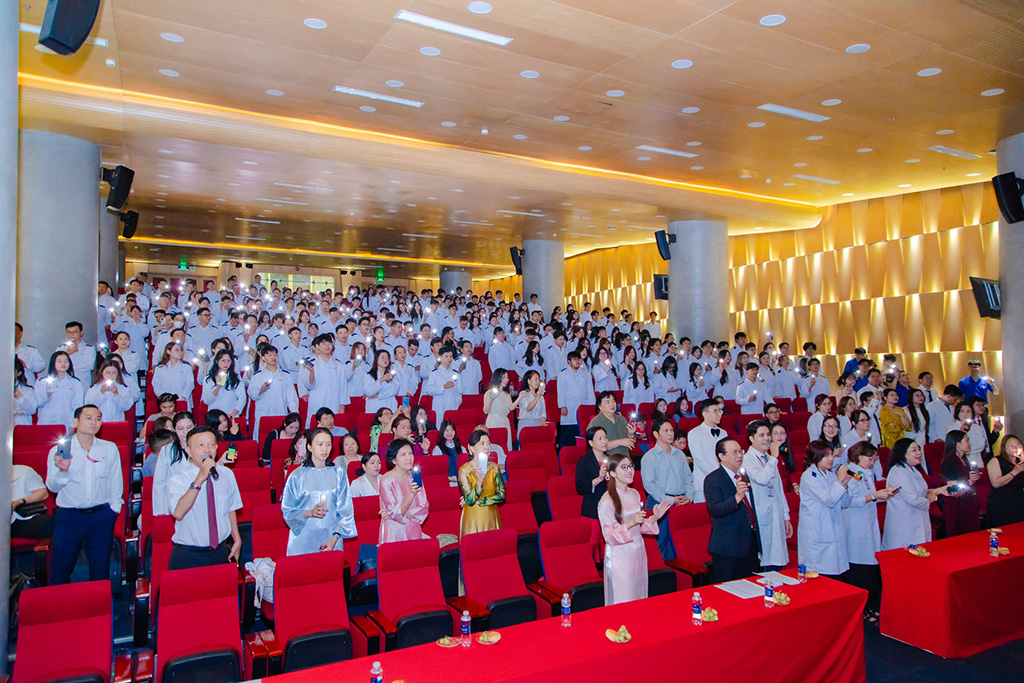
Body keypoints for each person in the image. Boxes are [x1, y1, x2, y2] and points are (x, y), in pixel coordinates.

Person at [46, 405, 123, 584]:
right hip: (69, 517)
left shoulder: (109, 448)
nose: (94, 422)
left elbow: (116, 480)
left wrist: (114, 509)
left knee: (100, 569)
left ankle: (100, 601)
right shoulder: (60, 450)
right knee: (61, 568)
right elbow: (52, 486)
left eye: (98, 419)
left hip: (101, 516)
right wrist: (63, 471)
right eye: (88, 418)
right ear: (76, 422)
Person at [167, 426, 243, 569]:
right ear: (189, 451)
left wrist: (237, 539)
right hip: (188, 555)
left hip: (220, 552)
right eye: (200, 445)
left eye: (211, 444)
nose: (207, 450)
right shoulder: (178, 479)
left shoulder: (226, 474)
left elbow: (230, 509)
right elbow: (178, 513)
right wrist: (200, 479)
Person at [600, 453, 671, 605]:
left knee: (640, 595)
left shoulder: (634, 493)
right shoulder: (607, 500)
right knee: (624, 597)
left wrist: (654, 517)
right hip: (620, 555)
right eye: (624, 467)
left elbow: (639, 526)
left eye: (631, 466)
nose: (629, 470)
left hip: (638, 551)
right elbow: (609, 536)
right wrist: (630, 523)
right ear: (612, 473)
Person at [843, 442, 897, 621]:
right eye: (869, 458)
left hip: (869, 524)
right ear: (858, 456)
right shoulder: (851, 473)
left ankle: (872, 604)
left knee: (871, 565)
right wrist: (875, 496)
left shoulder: (866, 474)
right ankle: (863, 607)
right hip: (856, 525)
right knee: (860, 567)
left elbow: (869, 497)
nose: (872, 462)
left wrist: (883, 494)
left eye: (875, 459)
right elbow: (850, 501)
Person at [281, 428, 357, 556]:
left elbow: (346, 511)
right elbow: (288, 511)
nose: (324, 449)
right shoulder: (297, 475)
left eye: (328, 444)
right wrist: (310, 512)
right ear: (309, 447)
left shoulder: (338, 473)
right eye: (320, 444)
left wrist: (334, 540)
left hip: (331, 540)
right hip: (303, 541)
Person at [704, 437, 761, 583]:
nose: (739, 455)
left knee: (750, 588)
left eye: (741, 451)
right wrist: (737, 497)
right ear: (721, 456)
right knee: (728, 589)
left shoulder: (743, 475)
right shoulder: (713, 479)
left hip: (749, 543)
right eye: (734, 452)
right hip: (728, 546)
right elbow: (715, 510)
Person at [882, 439, 952, 550]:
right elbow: (913, 499)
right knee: (905, 554)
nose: (919, 453)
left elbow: (921, 492)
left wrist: (938, 490)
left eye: (919, 449)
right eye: (914, 450)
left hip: (917, 519)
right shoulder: (898, 472)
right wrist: (931, 499)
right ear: (903, 453)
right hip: (905, 523)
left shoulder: (913, 469)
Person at [797, 440, 852, 579]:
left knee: (838, 576)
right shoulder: (809, 477)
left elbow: (845, 503)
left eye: (831, 455)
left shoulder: (831, 475)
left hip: (833, 530)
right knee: (821, 577)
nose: (831, 458)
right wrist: (839, 482)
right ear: (816, 457)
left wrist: (844, 484)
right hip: (818, 533)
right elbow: (829, 500)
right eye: (826, 456)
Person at [742, 420, 792, 571]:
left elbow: (779, 490)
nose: (767, 439)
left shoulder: (770, 459)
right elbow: (762, 479)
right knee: (765, 564)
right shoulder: (747, 459)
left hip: (776, 514)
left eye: (768, 434)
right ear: (751, 438)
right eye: (762, 435)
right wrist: (774, 458)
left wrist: (786, 516)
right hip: (761, 515)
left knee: (778, 562)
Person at [641, 418, 694, 559]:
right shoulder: (649, 457)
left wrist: (689, 497)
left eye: (671, 430)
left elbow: (688, 477)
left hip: (681, 502)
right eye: (666, 431)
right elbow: (649, 485)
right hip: (659, 503)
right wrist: (670, 500)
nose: (671, 433)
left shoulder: (680, 454)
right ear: (656, 434)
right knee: (661, 545)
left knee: (681, 544)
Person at [378, 438, 429, 544]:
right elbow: (395, 513)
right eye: (403, 454)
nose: (409, 458)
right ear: (394, 460)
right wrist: (411, 494)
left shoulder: (414, 476)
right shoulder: (386, 480)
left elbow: (424, 506)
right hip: (394, 532)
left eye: (410, 453)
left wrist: (406, 513)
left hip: (413, 530)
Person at [457, 429, 505, 537]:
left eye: (488, 443)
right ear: (471, 448)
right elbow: (470, 500)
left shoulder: (494, 468)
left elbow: (502, 496)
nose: (487, 447)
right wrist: (479, 482)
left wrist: (481, 501)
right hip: (473, 518)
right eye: (482, 443)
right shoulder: (464, 470)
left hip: (491, 515)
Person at [248, 344, 299, 437]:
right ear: (263, 358)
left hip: (281, 414)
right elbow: (251, 394)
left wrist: (295, 414)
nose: (273, 357)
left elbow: (291, 398)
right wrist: (260, 391)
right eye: (269, 355)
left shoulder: (285, 375)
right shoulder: (257, 376)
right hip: (263, 416)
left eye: (275, 355)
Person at [940, 430, 981, 537]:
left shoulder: (965, 461)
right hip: (958, 507)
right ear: (957, 444)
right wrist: (969, 482)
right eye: (967, 440)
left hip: (969, 504)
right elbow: (953, 490)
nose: (970, 443)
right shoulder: (949, 463)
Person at [688, 399, 725, 504]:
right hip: (703, 483)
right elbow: (701, 460)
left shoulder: (724, 433)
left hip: (722, 482)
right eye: (715, 411)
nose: (719, 414)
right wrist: (720, 476)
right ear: (705, 414)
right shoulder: (694, 433)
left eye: (720, 411)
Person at [35, 351, 85, 428]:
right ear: (53, 363)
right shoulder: (42, 381)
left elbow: (78, 406)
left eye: (66, 361)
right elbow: (38, 403)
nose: (63, 364)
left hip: (67, 423)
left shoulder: (75, 382)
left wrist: (73, 425)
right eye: (59, 361)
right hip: (47, 421)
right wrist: (48, 394)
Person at [984, 435, 1024, 528]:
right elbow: (996, 483)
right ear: (1004, 446)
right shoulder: (996, 460)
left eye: (1018, 446)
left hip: (1018, 502)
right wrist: (1014, 472)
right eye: (1012, 446)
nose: (1015, 449)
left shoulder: (1020, 462)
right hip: (1001, 502)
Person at [557, 351, 593, 447]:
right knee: (568, 437)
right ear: (569, 361)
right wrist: (562, 406)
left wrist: (591, 407)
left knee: (583, 435)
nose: (577, 361)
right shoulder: (563, 374)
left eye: (579, 359)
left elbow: (590, 392)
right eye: (574, 359)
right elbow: (561, 391)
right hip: (569, 408)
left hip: (584, 406)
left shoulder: (586, 374)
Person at [575, 426, 610, 520]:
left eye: (605, 438)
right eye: (600, 439)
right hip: (594, 507)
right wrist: (599, 479)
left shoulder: (612, 459)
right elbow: (580, 487)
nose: (604, 441)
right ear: (591, 443)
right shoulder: (584, 461)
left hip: (612, 506)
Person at [586, 391, 636, 458]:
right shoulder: (595, 423)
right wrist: (621, 442)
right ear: (599, 406)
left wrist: (631, 435)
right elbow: (597, 446)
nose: (612, 404)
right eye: (608, 402)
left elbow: (631, 443)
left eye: (613, 401)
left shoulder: (622, 419)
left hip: (625, 460)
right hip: (607, 461)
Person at [11, 463, 53, 540]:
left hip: (21, 518)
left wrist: (20, 501)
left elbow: (42, 493)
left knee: (50, 523)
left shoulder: (23, 471)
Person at [202, 349, 246, 418]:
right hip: (215, 417)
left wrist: (232, 414)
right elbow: (206, 400)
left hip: (231, 415)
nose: (226, 363)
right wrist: (218, 388)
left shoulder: (237, 378)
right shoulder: (208, 379)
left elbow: (242, 398)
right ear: (217, 361)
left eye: (228, 361)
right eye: (223, 361)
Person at [152, 341, 196, 410]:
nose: (180, 352)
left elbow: (190, 384)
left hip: (182, 400)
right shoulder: (160, 368)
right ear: (168, 351)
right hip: (166, 403)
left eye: (181, 350)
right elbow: (156, 385)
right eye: (176, 350)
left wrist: (183, 397)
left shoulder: (186, 367)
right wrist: (165, 397)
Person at [483, 369, 520, 450]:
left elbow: (511, 408)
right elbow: (486, 411)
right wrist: (490, 400)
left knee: (505, 445)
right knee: (494, 444)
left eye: (507, 377)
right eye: (503, 378)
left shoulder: (507, 394)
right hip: (493, 420)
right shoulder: (489, 392)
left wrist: (520, 397)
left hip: (504, 421)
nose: (506, 380)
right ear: (497, 378)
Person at [516, 370, 547, 439]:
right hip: (526, 425)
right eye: (535, 379)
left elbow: (543, 413)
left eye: (538, 379)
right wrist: (537, 397)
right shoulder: (523, 394)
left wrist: (543, 423)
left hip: (538, 425)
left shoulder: (541, 396)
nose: (537, 382)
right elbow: (528, 408)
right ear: (529, 381)